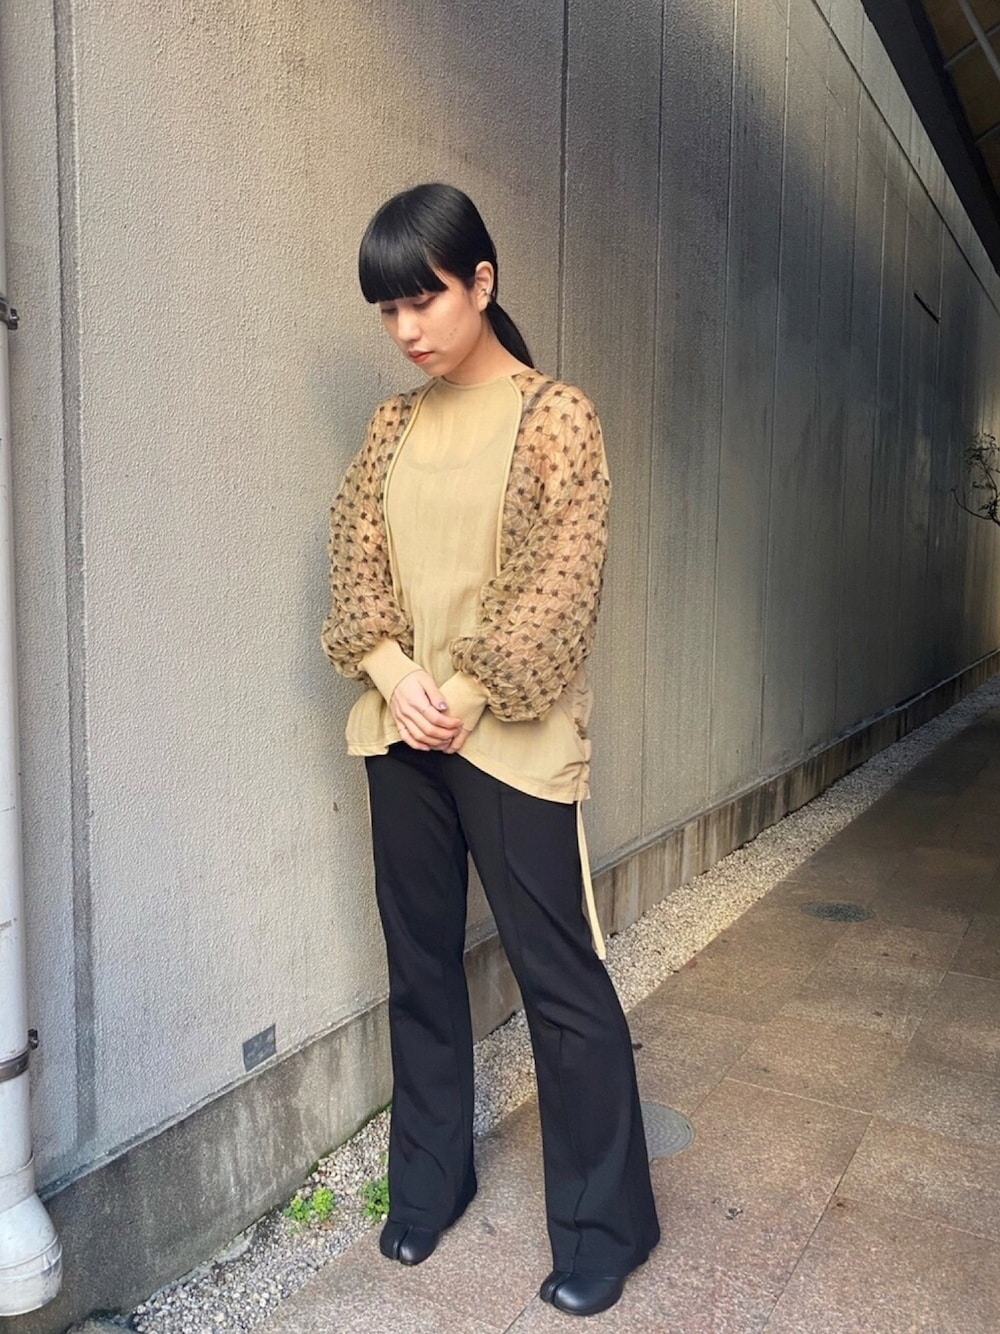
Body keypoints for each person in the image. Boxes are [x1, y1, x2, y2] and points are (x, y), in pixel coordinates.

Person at [322, 183, 659, 1318]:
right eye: (387, 309)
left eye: (422, 298)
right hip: (401, 733)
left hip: (511, 736)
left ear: (482, 282)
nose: (406, 327)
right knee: (419, 966)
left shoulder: (555, 415)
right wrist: (393, 676)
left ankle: (606, 1226)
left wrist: (462, 690)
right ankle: (430, 1184)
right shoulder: (391, 427)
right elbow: (353, 563)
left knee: (558, 977)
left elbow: (562, 581)